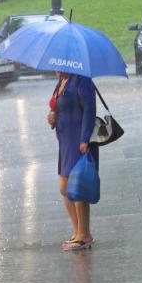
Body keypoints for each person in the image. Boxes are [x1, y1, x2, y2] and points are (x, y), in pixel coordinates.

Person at [47, 71, 98, 251]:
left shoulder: (82, 79)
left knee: (77, 188)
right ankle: (78, 231)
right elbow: (60, 107)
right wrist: (52, 117)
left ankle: (84, 236)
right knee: (65, 188)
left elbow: (90, 109)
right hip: (65, 141)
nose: (56, 68)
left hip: (79, 140)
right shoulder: (62, 80)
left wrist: (84, 139)